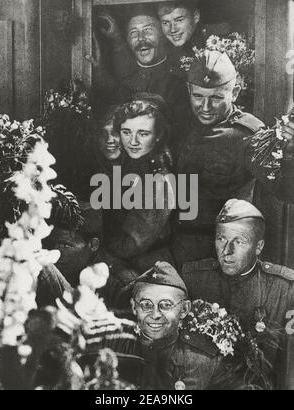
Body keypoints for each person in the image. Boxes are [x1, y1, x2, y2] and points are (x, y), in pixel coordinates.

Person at [171, 49, 294, 268]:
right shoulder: (180, 122)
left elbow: (286, 190)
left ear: (235, 92)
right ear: (188, 90)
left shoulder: (249, 135)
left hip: (218, 255)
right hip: (173, 243)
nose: (206, 107)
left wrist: (290, 151)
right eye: (198, 96)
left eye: (217, 98)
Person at [181, 199, 294, 387]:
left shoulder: (283, 288)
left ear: (259, 247)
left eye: (239, 241)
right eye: (221, 239)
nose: (227, 251)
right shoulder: (193, 279)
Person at [87, 5, 192, 151]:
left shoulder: (178, 82)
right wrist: (97, 69)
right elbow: (113, 95)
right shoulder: (125, 80)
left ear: (163, 34)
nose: (141, 39)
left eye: (148, 30)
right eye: (133, 33)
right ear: (128, 41)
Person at [102, 94, 175, 272]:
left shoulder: (158, 179)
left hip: (144, 267)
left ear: (158, 136)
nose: (133, 142)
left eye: (143, 134)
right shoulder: (131, 164)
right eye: (126, 132)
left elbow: (130, 245)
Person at [128, 260, 224, 390]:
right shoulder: (115, 348)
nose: (155, 314)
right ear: (134, 307)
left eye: (166, 305)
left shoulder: (203, 360)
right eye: (146, 305)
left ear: (184, 309)